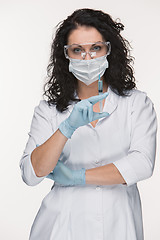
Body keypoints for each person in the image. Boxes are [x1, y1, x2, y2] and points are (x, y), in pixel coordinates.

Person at [19, 8, 157, 240]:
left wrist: (77, 177)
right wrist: (66, 128)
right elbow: (32, 174)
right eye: (77, 50)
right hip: (61, 226)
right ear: (66, 55)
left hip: (119, 224)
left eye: (96, 48)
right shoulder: (49, 110)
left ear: (109, 50)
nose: (88, 57)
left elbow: (142, 163)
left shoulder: (136, 103)